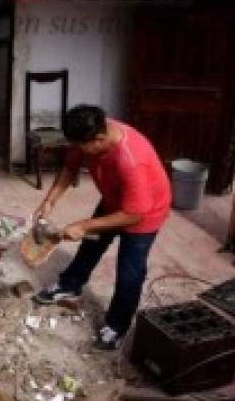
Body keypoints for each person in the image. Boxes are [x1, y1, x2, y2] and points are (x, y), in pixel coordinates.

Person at [32, 104, 172, 350]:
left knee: (130, 272)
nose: (77, 150)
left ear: (99, 139)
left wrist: (85, 224)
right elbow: (69, 168)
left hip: (144, 213)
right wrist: (49, 201)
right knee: (90, 245)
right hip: (114, 199)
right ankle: (70, 285)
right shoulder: (88, 136)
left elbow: (133, 215)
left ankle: (117, 326)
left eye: (81, 146)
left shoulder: (130, 158)